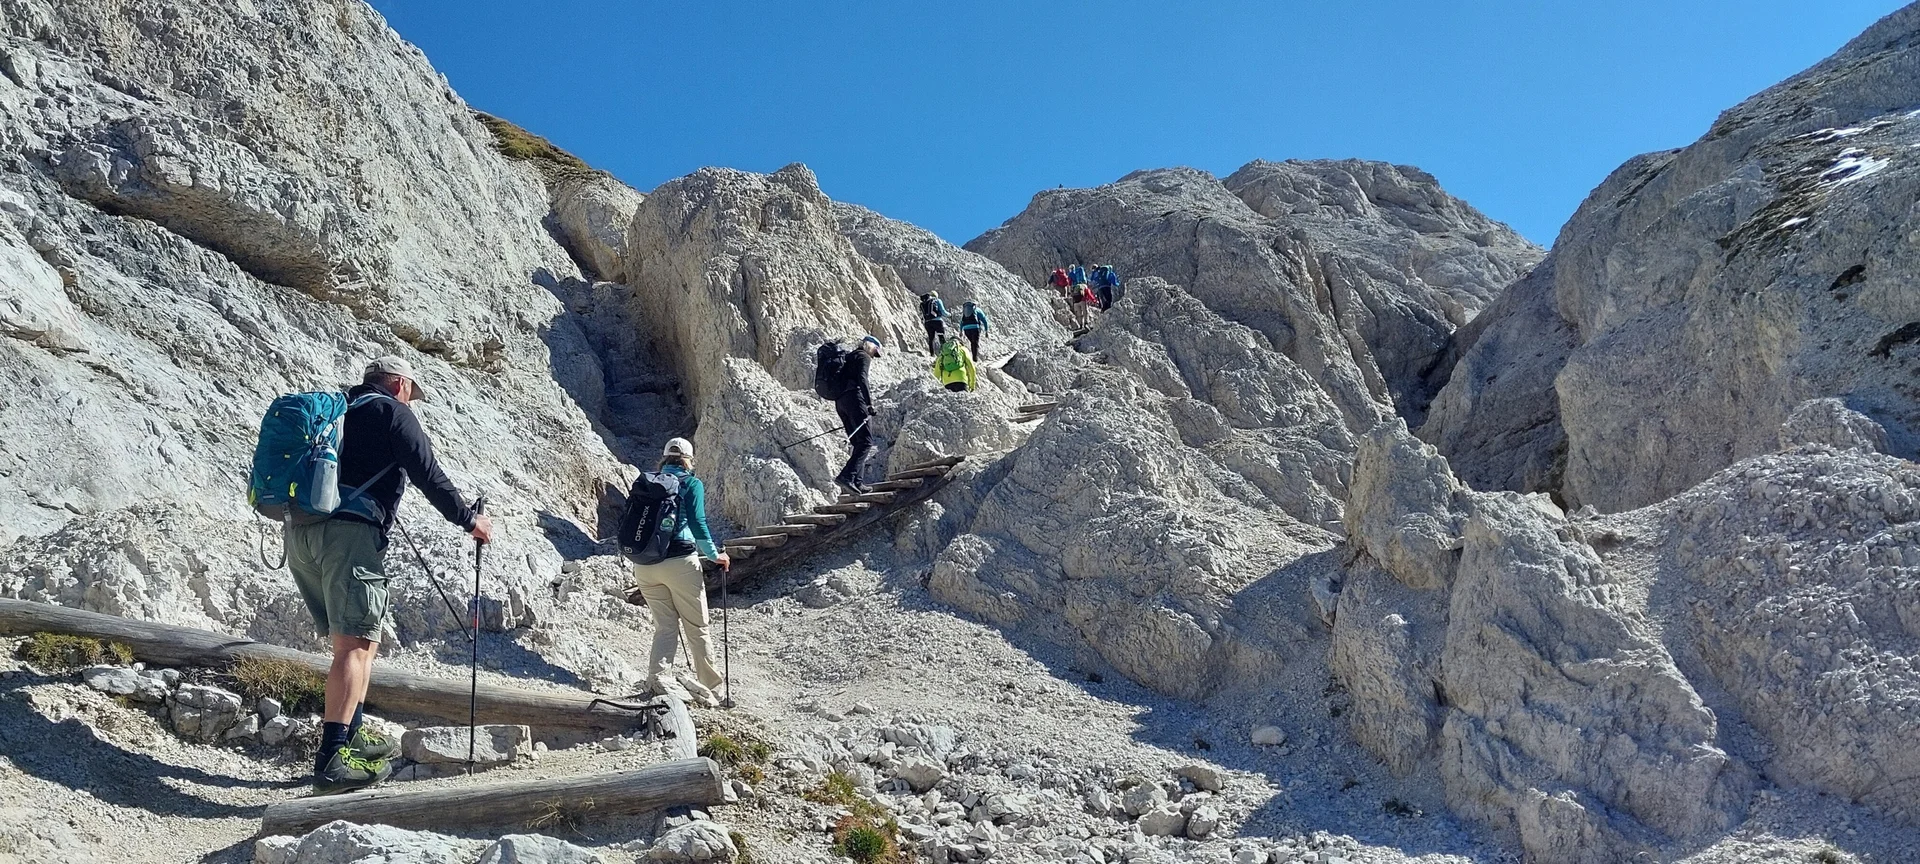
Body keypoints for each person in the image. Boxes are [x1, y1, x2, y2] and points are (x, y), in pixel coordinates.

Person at [292, 355, 493, 794]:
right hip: (349, 536)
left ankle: (353, 735)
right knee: (354, 646)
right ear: (400, 384)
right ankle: (332, 761)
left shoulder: (337, 409)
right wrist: (470, 521)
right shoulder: (393, 413)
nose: (410, 401)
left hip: (302, 534)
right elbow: (428, 473)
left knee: (361, 642)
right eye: (410, 394)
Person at [631, 438, 730, 701]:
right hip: (680, 563)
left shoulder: (647, 482)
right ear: (688, 459)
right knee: (697, 626)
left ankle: (657, 682)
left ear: (664, 458)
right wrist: (715, 555)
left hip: (644, 565)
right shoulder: (691, 483)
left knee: (665, 627)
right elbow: (698, 524)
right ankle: (713, 689)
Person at [834, 335, 882, 494]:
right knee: (866, 442)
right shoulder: (863, 356)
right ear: (871, 346)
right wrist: (869, 404)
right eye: (875, 351)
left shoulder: (849, 357)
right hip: (855, 400)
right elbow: (862, 379)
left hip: (840, 402)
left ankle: (857, 482)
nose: (873, 356)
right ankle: (846, 476)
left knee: (858, 442)